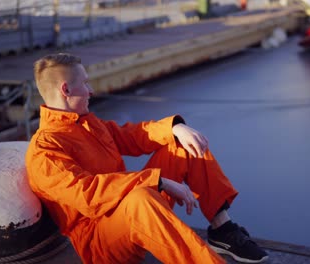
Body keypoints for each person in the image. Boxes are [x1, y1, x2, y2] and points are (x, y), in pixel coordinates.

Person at [25, 53, 268, 264]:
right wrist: (158, 181)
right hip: (101, 241)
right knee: (140, 198)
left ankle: (222, 229)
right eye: (86, 84)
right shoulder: (45, 148)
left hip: (133, 213)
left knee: (183, 144)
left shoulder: (88, 123)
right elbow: (86, 194)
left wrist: (173, 128)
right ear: (66, 90)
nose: (91, 91)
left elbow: (133, 136)